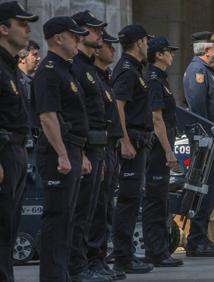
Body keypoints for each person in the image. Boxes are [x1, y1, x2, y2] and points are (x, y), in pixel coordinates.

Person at [33, 16, 89, 282]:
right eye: (74, 36)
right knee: (57, 218)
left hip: (73, 149)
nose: (78, 40)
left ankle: (62, 273)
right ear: (58, 38)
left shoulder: (66, 69)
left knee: (68, 216)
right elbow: (48, 116)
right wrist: (63, 154)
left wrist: (80, 154)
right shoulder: (49, 70)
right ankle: (53, 276)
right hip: (58, 152)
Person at [68, 10, 111, 282]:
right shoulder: (77, 68)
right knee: (81, 212)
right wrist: (82, 153)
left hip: (99, 147)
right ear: (81, 33)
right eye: (95, 30)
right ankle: (79, 266)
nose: (100, 35)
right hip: (85, 148)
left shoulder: (90, 70)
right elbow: (74, 116)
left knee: (96, 211)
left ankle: (93, 262)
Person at [111, 24, 154, 274]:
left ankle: (127, 255)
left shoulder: (135, 69)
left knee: (132, 199)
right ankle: (122, 258)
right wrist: (124, 140)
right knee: (127, 201)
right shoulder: (127, 70)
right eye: (146, 41)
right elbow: (118, 106)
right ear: (139, 43)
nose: (148, 45)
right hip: (132, 143)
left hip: (139, 141)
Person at [0, 2, 37, 281]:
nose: (27, 29)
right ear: (3, 29)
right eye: (21, 24)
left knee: (9, 228)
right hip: (4, 152)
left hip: (16, 150)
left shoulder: (10, 66)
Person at [183, 31, 214, 257]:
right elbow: (199, 111)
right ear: (206, 49)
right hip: (206, 140)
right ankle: (196, 241)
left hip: (213, 138)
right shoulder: (197, 71)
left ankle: (202, 238)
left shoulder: (208, 71)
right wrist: (207, 140)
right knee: (203, 190)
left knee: (209, 191)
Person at [142, 36, 183, 267]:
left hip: (162, 149)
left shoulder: (161, 80)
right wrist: (169, 151)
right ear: (158, 54)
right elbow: (157, 119)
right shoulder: (154, 80)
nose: (172, 55)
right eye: (169, 51)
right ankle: (155, 252)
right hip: (157, 150)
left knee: (160, 200)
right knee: (155, 201)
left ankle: (160, 250)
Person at [89, 30, 126, 281]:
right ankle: (91, 261)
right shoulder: (87, 74)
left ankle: (99, 260)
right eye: (108, 45)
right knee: (93, 210)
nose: (113, 49)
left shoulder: (104, 76)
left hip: (108, 148)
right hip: (96, 148)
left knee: (104, 209)